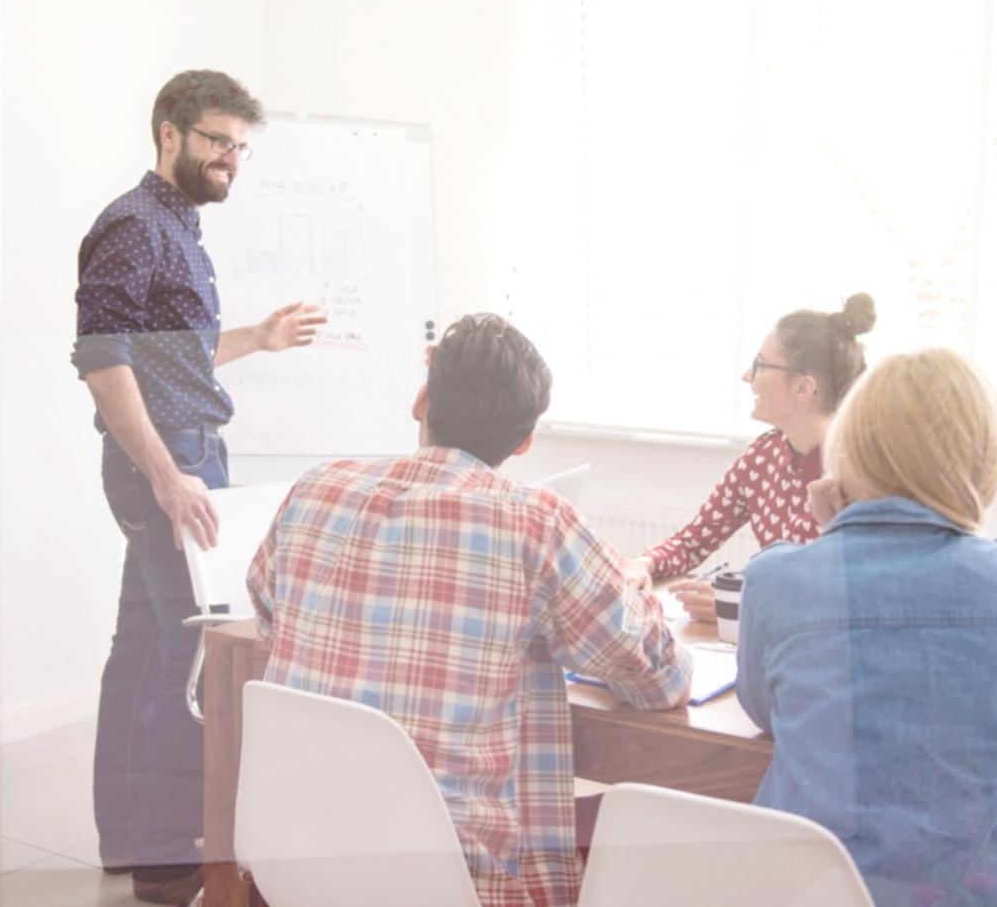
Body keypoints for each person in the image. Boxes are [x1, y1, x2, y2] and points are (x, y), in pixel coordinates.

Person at [247, 313, 693, 907]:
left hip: (293, 854)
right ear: (525, 439)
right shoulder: (537, 522)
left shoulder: (314, 489)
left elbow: (267, 611)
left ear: (421, 400)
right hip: (447, 881)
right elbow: (657, 678)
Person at [736, 348, 997, 907]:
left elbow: (769, 712)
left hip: (804, 892)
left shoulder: (775, 578)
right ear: (983, 460)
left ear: (848, 451)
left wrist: (833, 539)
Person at [71, 69, 327, 906]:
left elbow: (161, 358)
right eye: (218, 141)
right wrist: (168, 476)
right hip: (167, 461)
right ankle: (167, 858)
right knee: (191, 659)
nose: (231, 160)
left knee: (142, 647)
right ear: (169, 135)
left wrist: (257, 337)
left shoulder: (176, 228)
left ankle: (128, 840)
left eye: (240, 147)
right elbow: (104, 362)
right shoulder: (135, 227)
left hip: (178, 453)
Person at [628, 294, 875, 618]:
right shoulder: (762, 457)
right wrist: (642, 564)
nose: (747, 376)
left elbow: (859, 594)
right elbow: (691, 543)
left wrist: (740, 603)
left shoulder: (864, 473)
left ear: (803, 388)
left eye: (760, 365)